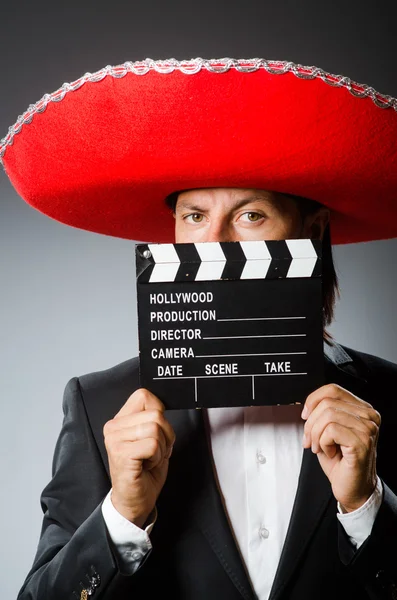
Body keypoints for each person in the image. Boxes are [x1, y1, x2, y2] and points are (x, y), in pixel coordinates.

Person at [1, 58, 397, 600]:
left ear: (313, 231)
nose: (214, 244)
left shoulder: (388, 399)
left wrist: (367, 507)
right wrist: (122, 515)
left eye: (251, 215)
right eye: (193, 216)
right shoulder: (100, 407)